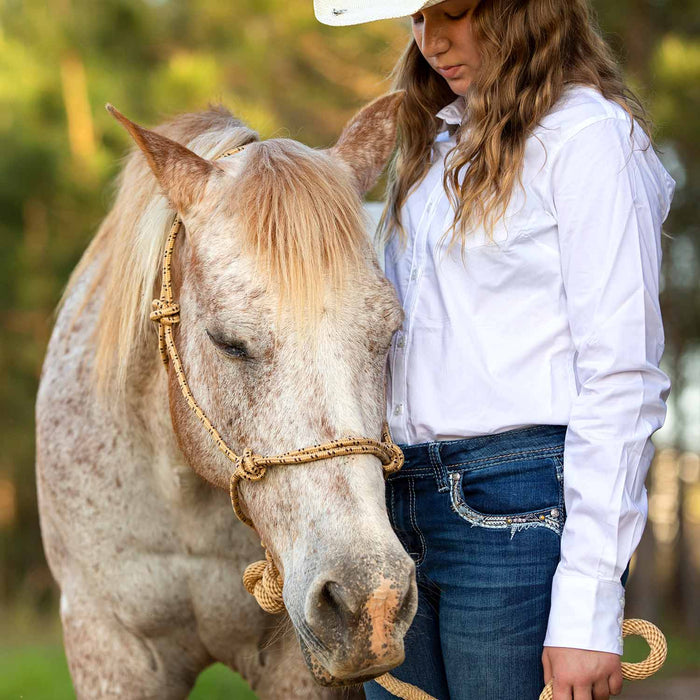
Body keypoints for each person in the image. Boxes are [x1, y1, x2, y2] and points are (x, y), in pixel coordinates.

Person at [314, 1, 675, 699]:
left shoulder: (587, 138)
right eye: (417, 21)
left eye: (452, 12)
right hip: (397, 503)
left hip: (516, 508)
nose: (431, 41)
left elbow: (622, 378)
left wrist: (589, 606)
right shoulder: (431, 151)